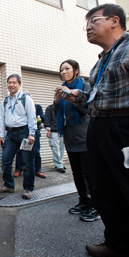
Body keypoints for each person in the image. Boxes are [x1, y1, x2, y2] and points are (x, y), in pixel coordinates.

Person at [66, 4, 129, 257]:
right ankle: (117, 243)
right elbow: (96, 98)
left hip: (123, 126)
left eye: (94, 21)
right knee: (105, 189)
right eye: (87, 24)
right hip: (99, 125)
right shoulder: (102, 59)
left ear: (114, 20)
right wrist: (77, 96)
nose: (89, 27)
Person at [54, 60, 99, 223]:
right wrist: (57, 101)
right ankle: (84, 201)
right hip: (70, 136)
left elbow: (88, 108)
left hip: (84, 135)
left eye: (67, 68)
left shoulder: (85, 86)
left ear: (76, 70)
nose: (63, 72)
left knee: (89, 174)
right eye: (61, 70)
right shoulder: (61, 89)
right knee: (77, 174)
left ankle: (96, 206)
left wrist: (72, 95)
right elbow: (56, 114)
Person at [0, 74, 37, 200]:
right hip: (10, 134)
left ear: (19, 84)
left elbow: (32, 117)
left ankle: (28, 189)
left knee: (27, 163)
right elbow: (1, 119)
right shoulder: (5, 101)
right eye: (9, 82)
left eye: (14, 82)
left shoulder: (26, 99)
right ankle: (9, 185)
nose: (11, 85)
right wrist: (1, 135)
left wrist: (32, 134)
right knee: (6, 160)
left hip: (24, 133)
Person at [13, 94, 46, 178]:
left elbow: (42, 118)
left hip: (35, 132)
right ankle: (18, 169)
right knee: (20, 151)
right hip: (22, 132)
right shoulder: (19, 107)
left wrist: (36, 119)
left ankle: (38, 170)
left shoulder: (37, 107)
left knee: (36, 151)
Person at [44, 104, 66, 173]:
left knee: (62, 148)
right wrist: (48, 130)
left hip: (63, 130)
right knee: (55, 148)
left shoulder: (64, 108)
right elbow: (47, 119)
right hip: (53, 131)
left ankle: (60, 163)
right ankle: (59, 165)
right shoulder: (50, 108)